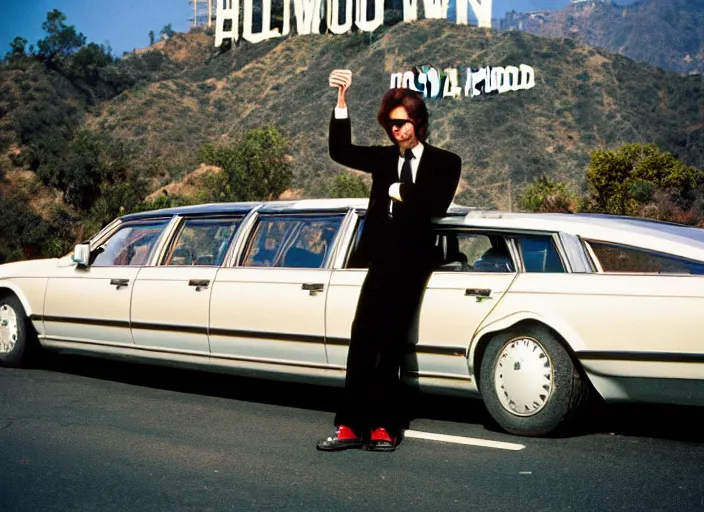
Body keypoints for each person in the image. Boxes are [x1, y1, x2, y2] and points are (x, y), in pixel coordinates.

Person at [316, 69, 462, 452]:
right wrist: (342, 102)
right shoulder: (383, 159)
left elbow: (435, 203)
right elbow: (340, 152)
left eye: (400, 124)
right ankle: (349, 424)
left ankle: (384, 425)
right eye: (389, 125)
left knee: (393, 341)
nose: (394, 131)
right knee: (363, 337)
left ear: (418, 122)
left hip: (414, 261)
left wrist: (397, 190)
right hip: (380, 259)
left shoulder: (446, 162)